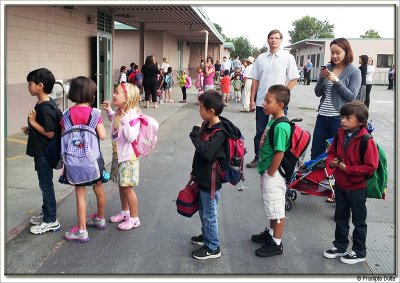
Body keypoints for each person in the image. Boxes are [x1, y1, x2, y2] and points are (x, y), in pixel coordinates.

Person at [324, 101, 378, 264]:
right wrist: (332, 161)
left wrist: (348, 170)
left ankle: (359, 251)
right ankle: (340, 246)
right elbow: (331, 152)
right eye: (342, 117)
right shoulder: (340, 134)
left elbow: (371, 166)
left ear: (360, 122)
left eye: (348, 118)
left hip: (357, 188)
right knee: (340, 217)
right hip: (340, 184)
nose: (343, 121)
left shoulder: (366, 140)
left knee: (359, 221)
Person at [189, 90, 241, 260]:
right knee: (203, 211)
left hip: (211, 181)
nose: (199, 111)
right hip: (202, 177)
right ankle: (206, 236)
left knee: (210, 213)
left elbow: (206, 152)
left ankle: (213, 246)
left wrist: (195, 136)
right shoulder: (208, 125)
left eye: (201, 108)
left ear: (211, 111)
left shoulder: (219, 133)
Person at [311, 38, 361, 202]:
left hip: (340, 119)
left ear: (346, 52)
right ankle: (314, 182)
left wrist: (336, 80)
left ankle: (335, 190)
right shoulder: (328, 68)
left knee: (337, 155)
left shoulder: (354, 71)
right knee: (317, 151)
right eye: (332, 52)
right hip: (322, 116)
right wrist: (322, 78)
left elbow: (351, 96)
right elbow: (318, 92)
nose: (334, 56)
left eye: (338, 52)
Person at [62, 76, 107, 242]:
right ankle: (100, 218)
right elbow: (102, 135)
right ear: (91, 95)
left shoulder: (66, 115)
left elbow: (63, 137)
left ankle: (82, 230)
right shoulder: (95, 113)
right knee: (98, 188)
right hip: (94, 160)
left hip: (74, 161)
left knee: (80, 193)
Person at [246, 29, 299, 168]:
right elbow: (255, 80)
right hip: (262, 102)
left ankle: (279, 159)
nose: (273, 40)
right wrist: (252, 99)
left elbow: (294, 79)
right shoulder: (261, 58)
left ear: (281, 40)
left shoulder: (288, 58)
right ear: (268, 40)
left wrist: (284, 94)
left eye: (276, 38)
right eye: (271, 38)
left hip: (280, 104)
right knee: (260, 131)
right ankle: (258, 157)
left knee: (280, 130)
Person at [251, 84, 291, 257]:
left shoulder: (282, 126)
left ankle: (277, 243)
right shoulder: (273, 120)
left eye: (268, 101)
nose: (264, 104)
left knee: (277, 209)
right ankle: (270, 233)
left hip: (273, 174)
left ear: (280, 105)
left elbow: (279, 153)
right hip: (267, 171)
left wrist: (271, 172)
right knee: (271, 206)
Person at [22, 68, 61, 235]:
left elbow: (50, 132)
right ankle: (46, 212)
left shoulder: (45, 108)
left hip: (44, 153)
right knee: (44, 184)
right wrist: (31, 128)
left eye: (30, 84)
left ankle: (51, 220)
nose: (28, 87)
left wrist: (33, 122)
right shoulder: (44, 102)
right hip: (41, 151)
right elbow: (44, 128)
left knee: (46, 185)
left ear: (40, 85)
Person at [102, 82, 142, 230]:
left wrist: (125, 120)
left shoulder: (133, 114)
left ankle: (134, 218)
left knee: (128, 187)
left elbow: (131, 137)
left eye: (117, 93)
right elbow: (115, 123)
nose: (114, 95)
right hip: (118, 155)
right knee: (121, 185)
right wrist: (110, 112)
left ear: (126, 98)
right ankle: (125, 212)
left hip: (128, 158)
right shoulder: (120, 112)